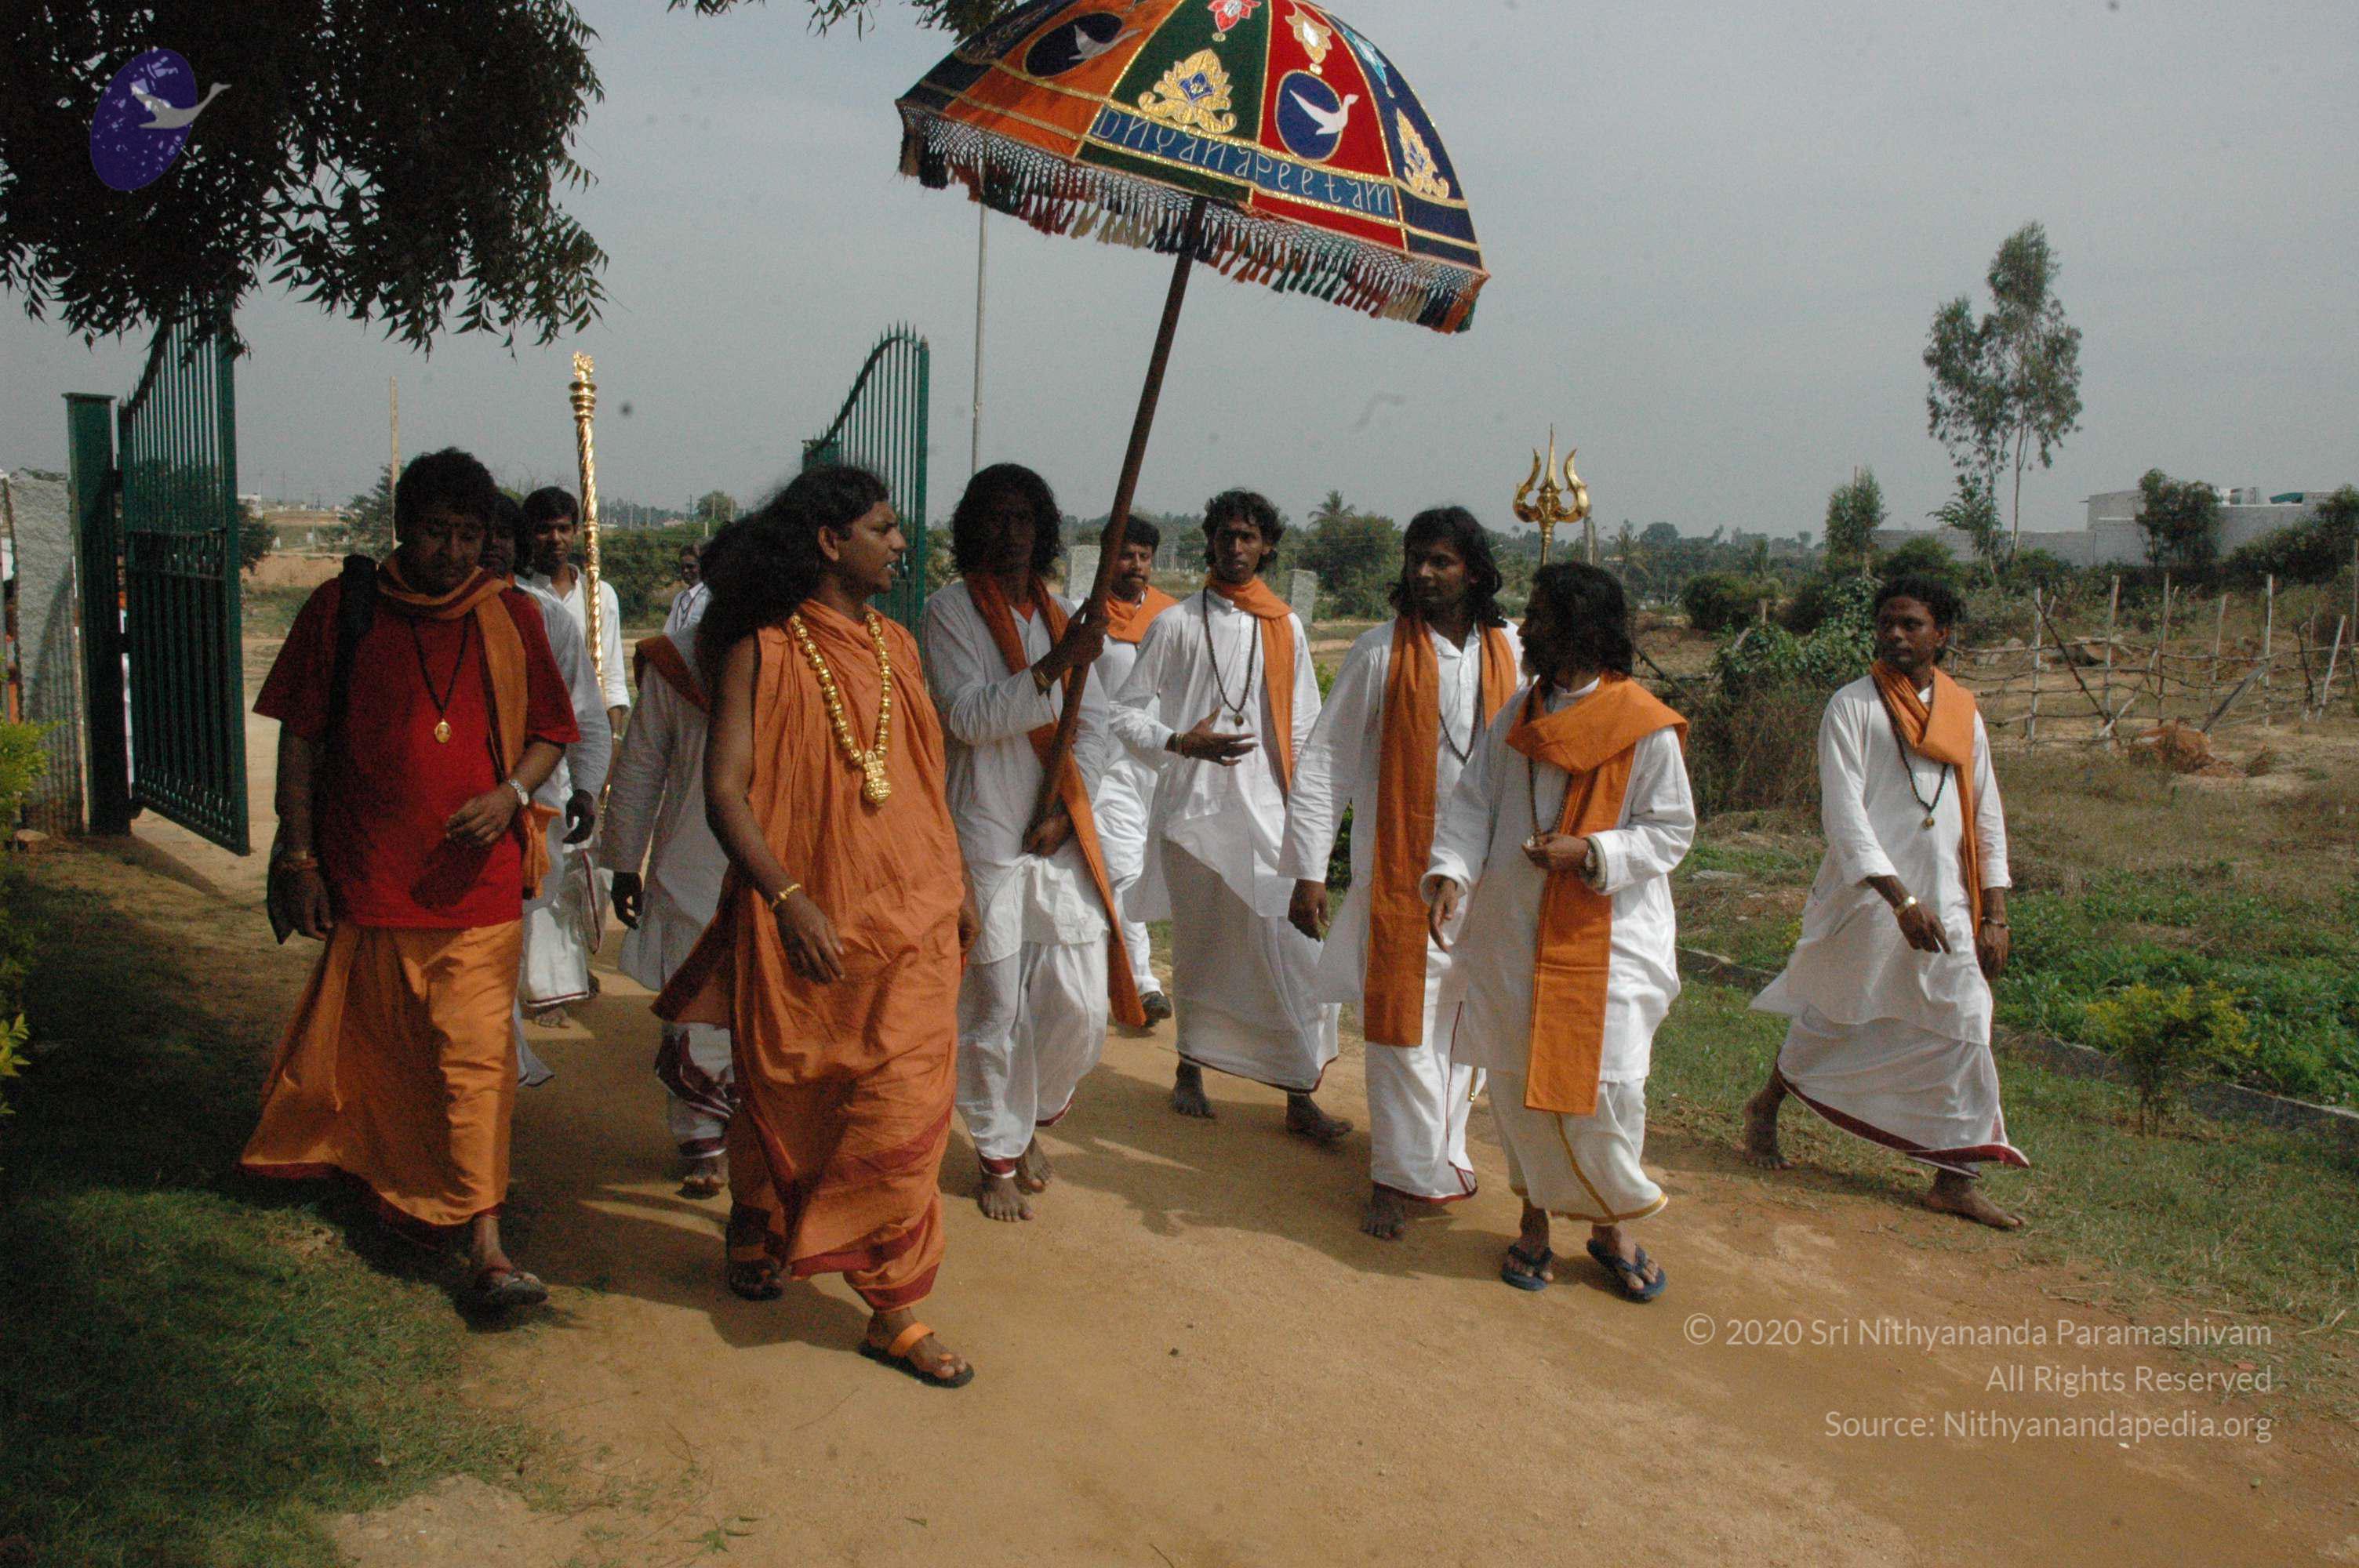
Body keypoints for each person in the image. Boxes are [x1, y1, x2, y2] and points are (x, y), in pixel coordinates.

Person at [656, 465, 980, 1388]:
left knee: (905, 1108)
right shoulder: (759, 649)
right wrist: (785, 896)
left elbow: (922, 777)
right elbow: (725, 791)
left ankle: (892, 1304)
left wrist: (955, 881)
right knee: (793, 1086)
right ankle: (756, 1208)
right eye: (882, 527)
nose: (900, 542)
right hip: (811, 917)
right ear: (831, 541)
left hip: (912, 915)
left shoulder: (899, 645)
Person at [243, 448, 580, 1311]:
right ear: (401, 527)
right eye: (435, 532)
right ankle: (391, 1191)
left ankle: (486, 1243)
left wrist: (510, 796)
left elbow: (552, 731)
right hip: (370, 877)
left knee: (476, 1062)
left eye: (469, 534)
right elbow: (301, 737)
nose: (452, 552)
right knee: (389, 1060)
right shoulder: (342, 608)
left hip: (480, 889)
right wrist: (300, 857)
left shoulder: (512, 615)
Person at [1424, 563, 1692, 1302]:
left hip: (1612, 941)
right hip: (1515, 929)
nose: (1527, 627)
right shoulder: (1519, 713)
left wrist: (1594, 852)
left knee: (1612, 1088)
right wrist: (1451, 873)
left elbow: (1671, 830)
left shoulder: (1643, 725)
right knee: (1519, 1083)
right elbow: (1473, 804)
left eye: (1542, 616)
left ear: (1585, 630)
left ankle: (1611, 1227)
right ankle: (1534, 1221)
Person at [1743, 575, 2025, 1228]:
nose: (1895, 635)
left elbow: (1985, 813)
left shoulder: (1962, 712)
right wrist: (1899, 899)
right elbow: (1844, 817)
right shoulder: (1851, 706)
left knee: (1967, 1016)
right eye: (1886, 624)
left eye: (1911, 625)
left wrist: (1996, 911)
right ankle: (1767, 1104)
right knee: (1836, 1013)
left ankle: (1954, 1179)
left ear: (1941, 634)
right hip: (1867, 896)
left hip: (1948, 898)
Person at [1281, 508, 1521, 1239]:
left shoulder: (1513, 650)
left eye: (1441, 560)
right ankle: (1394, 1175)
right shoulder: (1379, 651)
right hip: (1400, 873)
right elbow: (1326, 761)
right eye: (1416, 558)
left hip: (1489, 874)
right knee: (1399, 1026)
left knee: (1465, 1023)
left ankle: (1437, 1155)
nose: (1423, 572)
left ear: (1473, 571)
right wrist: (1309, 870)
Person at [921, 465, 1140, 1223]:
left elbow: (1098, 724)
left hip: (1053, 832)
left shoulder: (1058, 614)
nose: (1011, 533)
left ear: (1042, 529)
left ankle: (1028, 1114)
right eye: (997, 517)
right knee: (994, 1008)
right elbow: (968, 718)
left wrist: (1067, 809)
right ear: (973, 527)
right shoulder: (949, 612)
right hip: (984, 830)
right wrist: (1056, 664)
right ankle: (998, 1154)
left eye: (1025, 519)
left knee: (1079, 1005)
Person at [1110, 491, 1345, 1139]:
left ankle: (1298, 1090)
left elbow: (1305, 730)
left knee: (1294, 951)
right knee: (1204, 949)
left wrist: (1310, 826)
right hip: (1193, 813)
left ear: (1267, 547)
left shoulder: (1286, 626)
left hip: (1269, 813)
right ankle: (1190, 1066)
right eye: (1225, 535)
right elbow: (1123, 712)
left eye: (1248, 537)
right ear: (1210, 541)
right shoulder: (1177, 623)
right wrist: (1180, 741)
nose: (1236, 548)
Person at [605, 525, 739, 1196]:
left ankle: (746, 1135)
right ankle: (702, 1142)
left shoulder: (800, 659)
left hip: (784, 874)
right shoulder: (676, 661)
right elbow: (642, 765)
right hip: (692, 867)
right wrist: (624, 861)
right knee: (697, 1011)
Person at [482, 495, 612, 1085]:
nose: (490, 546)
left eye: (500, 535)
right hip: (443, 816)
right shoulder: (411, 618)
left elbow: (583, 715)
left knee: (501, 946)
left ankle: (494, 1065)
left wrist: (585, 787)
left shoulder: (545, 618)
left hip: (529, 810)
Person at [517, 486, 627, 1025]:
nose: (555, 539)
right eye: (544, 529)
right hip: (536, 751)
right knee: (542, 867)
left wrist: (608, 753)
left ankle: (571, 970)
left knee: (581, 869)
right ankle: (547, 989)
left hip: (585, 748)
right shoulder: (519, 596)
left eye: (564, 528)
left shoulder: (599, 595)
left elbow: (611, 679)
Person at [1093, 519, 1180, 1025]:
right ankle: (1144, 984)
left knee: (1154, 874)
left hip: (1166, 765)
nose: (1137, 566)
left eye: (1145, 556)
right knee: (1125, 870)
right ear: (1107, 556)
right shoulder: (1086, 619)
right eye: (1127, 555)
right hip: (1111, 767)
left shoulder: (1171, 618)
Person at [665, 543, 709, 636]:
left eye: (690, 566)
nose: (685, 571)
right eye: (682, 567)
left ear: (701, 567)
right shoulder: (680, 598)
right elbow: (669, 632)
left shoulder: (708, 596)